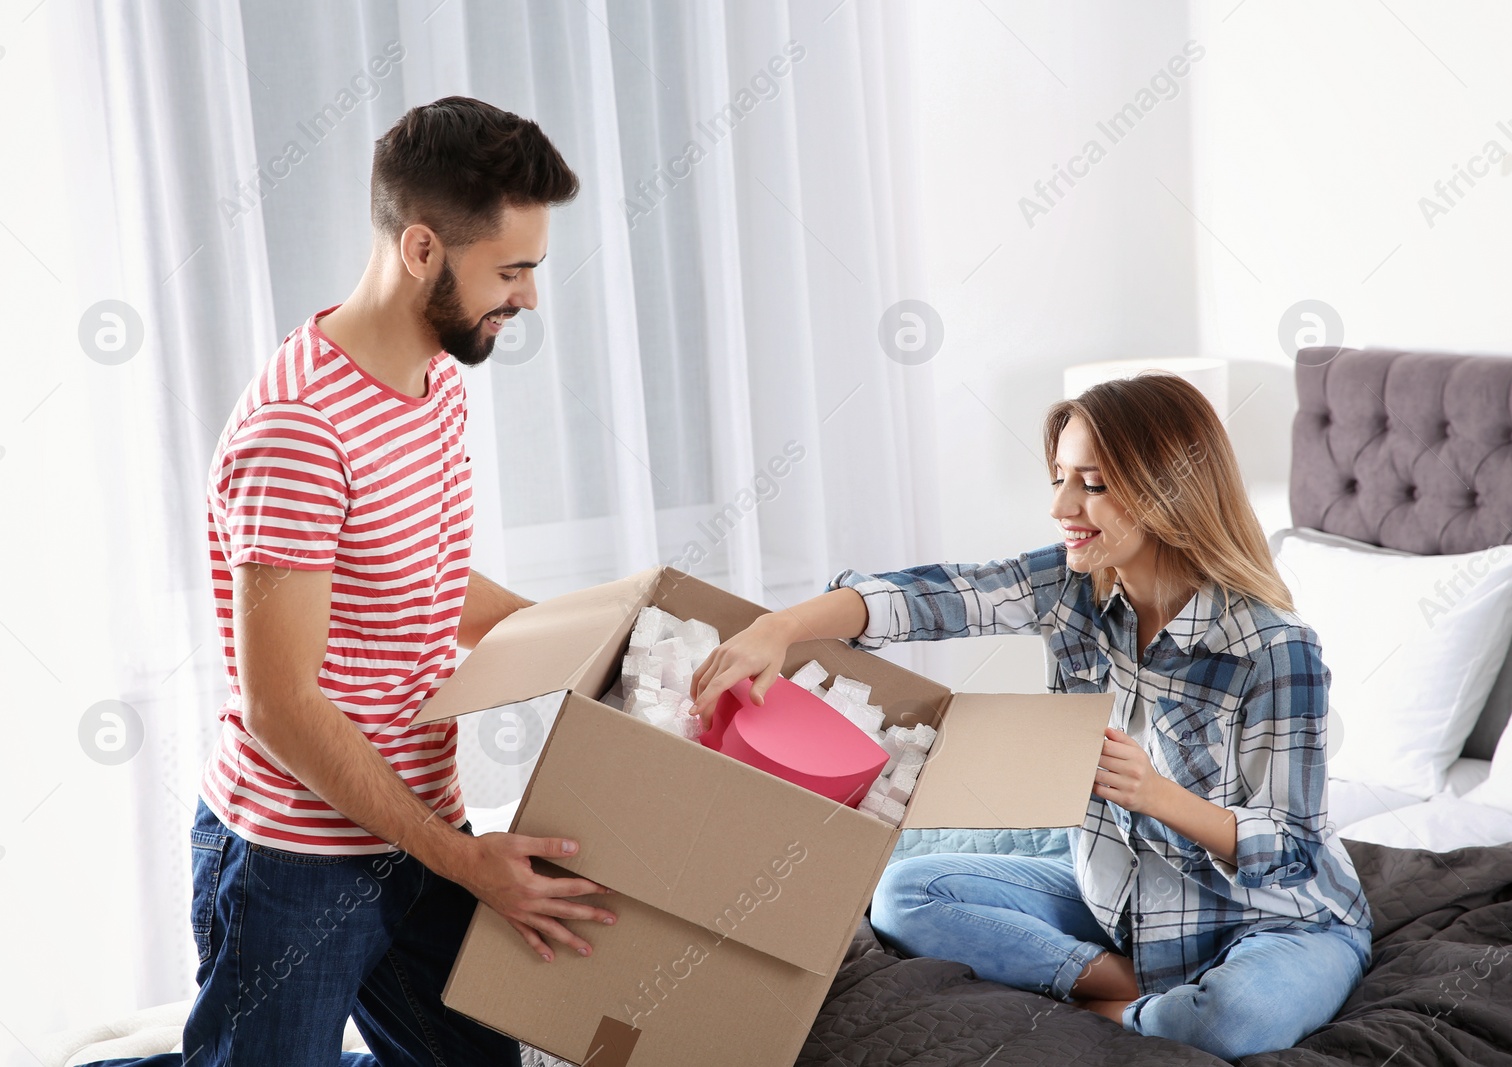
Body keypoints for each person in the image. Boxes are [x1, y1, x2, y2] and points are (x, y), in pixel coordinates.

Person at [85, 97, 615, 1067]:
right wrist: (467, 861)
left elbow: (425, 576)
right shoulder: (297, 431)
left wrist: (595, 631)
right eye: (513, 269)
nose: (531, 297)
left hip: (417, 824)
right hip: (295, 863)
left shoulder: (436, 379)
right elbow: (281, 704)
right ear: (422, 249)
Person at [689, 373, 1372, 1060]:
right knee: (902, 891)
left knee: (1232, 1020)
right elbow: (933, 597)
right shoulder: (1071, 584)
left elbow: (1290, 850)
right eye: (1058, 478)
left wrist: (1154, 793)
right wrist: (779, 626)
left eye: (1093, 483)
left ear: (1170, 490)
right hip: (1122, 899)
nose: (1061, 505)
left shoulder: (1275, 649)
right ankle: (1124, 987)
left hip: (1275, 921)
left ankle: (1134, 1009)